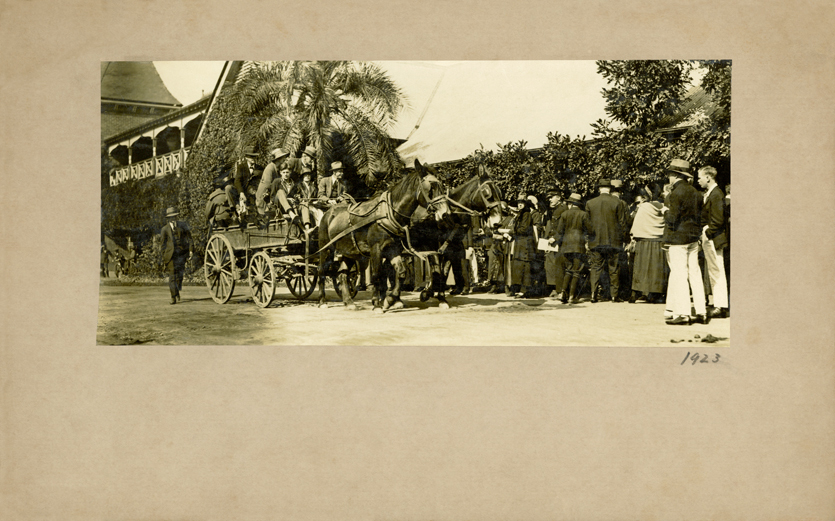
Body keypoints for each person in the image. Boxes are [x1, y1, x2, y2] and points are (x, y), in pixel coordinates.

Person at [662, 159, 708, 325]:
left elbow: (672, 219)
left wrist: (665, 211)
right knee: (694, 273)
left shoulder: (675, 193)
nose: (669, 178)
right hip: (693, 238)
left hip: (678, 239)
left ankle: (682, 313)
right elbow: (701, 217)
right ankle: (701, 311)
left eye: (670, 175)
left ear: (674, 175)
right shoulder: (696, 193)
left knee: (680, 274)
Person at [586, 178, 627, 302]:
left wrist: (588, 239)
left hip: (596, 241)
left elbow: (587, 224)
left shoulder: (590, 203)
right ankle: (614, 295)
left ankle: (593, 294)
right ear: (610, 189)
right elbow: (622, 223)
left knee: (595, 268)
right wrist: (624, 239)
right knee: (614, 268)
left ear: (599, 189)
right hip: (613, 241)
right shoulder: (618, 202)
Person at [698, 166, 729, 319]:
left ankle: (720, 306)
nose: (698, 180)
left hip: (714, 238)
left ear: (708, 177)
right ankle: (718, 303)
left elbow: (718, 220)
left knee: (717, 271)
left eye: (700, 177)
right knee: (714, 271)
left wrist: (707, 232)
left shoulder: (716, 194)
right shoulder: (712, 193)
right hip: (711, 237)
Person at [629, 184, 668, 303]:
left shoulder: (644, 207)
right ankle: (655, 293)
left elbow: (637, 224)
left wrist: (633, 237)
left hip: (644, 241)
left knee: (641, 268)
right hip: (658, 241)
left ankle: (636, 293)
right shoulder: (663, 206)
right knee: (656, 270)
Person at [553, 193, 593, 304]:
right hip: (578, 245)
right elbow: (590, 230)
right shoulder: (584, 214)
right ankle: (572, 296)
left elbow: (559, 231)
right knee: (576, 271)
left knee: (568, 269)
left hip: (566, 245)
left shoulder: (564, 214)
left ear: (570, 203)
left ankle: (563, 293)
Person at [160, 207, 193, 305]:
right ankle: (173, 297)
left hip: (181, 254)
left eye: (174, 216)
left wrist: (191, 251)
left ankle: (177, 290)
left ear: (176, 216)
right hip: (170, 256)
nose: (173, 218)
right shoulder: (165, 229)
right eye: (170, 217)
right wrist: (164, 257)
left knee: (180, 276)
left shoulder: (182, 226)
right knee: (172, 276)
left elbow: (190, 239)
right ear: (168, 218)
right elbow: (162, 245)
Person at [507, 194, 536, 298]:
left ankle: (524, 290)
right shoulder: (520, 214)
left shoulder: (526, 214)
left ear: (525, 204)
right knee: (518, 265)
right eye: (518, 203)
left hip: (525, 244)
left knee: (524, 266)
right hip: (520, 243)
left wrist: (511, 231)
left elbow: (524, 229)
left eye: (522, 203)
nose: (519, 205)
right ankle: (518, 289)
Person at [226, 145, 264, 220]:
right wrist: (241, 192)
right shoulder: (241, 167)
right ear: (246, 158)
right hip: (242, 190)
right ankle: (234, 210)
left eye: (254, 157)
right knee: (228, 188)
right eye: (251, 157)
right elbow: (237, 181)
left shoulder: (260, 168)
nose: (253, 158)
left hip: (254, 191)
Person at [543, 189, 568, 297]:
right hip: (554, 240)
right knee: (552, 265)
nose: (550, 200)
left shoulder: (563, 209)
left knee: (559, 266)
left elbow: (563, 227)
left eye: (551, 197)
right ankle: (556, 288)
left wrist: (555, 238)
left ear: (558, 197)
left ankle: (560, 290)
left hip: (560, 241)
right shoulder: (555, 210)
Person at [255, 148, 290, 223]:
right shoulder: (270, 168)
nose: (285, 160)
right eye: (283, 158)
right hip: (264, 199)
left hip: (270, 196)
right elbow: (268, 186)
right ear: (279, 159)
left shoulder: (277, 168)